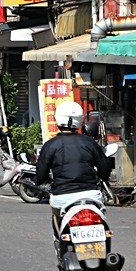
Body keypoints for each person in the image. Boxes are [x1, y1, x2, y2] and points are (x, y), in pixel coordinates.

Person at [35, 101, 112, 235]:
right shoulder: (90, 143)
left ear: (57, 119)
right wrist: (102, 178)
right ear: (80, 121)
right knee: (101, 220)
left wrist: (41, 181)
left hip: (62, 197)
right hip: (91, 195)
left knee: (57, 220)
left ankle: (60, 240)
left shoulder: (50, 145)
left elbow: (41, 175)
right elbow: (105, 168)